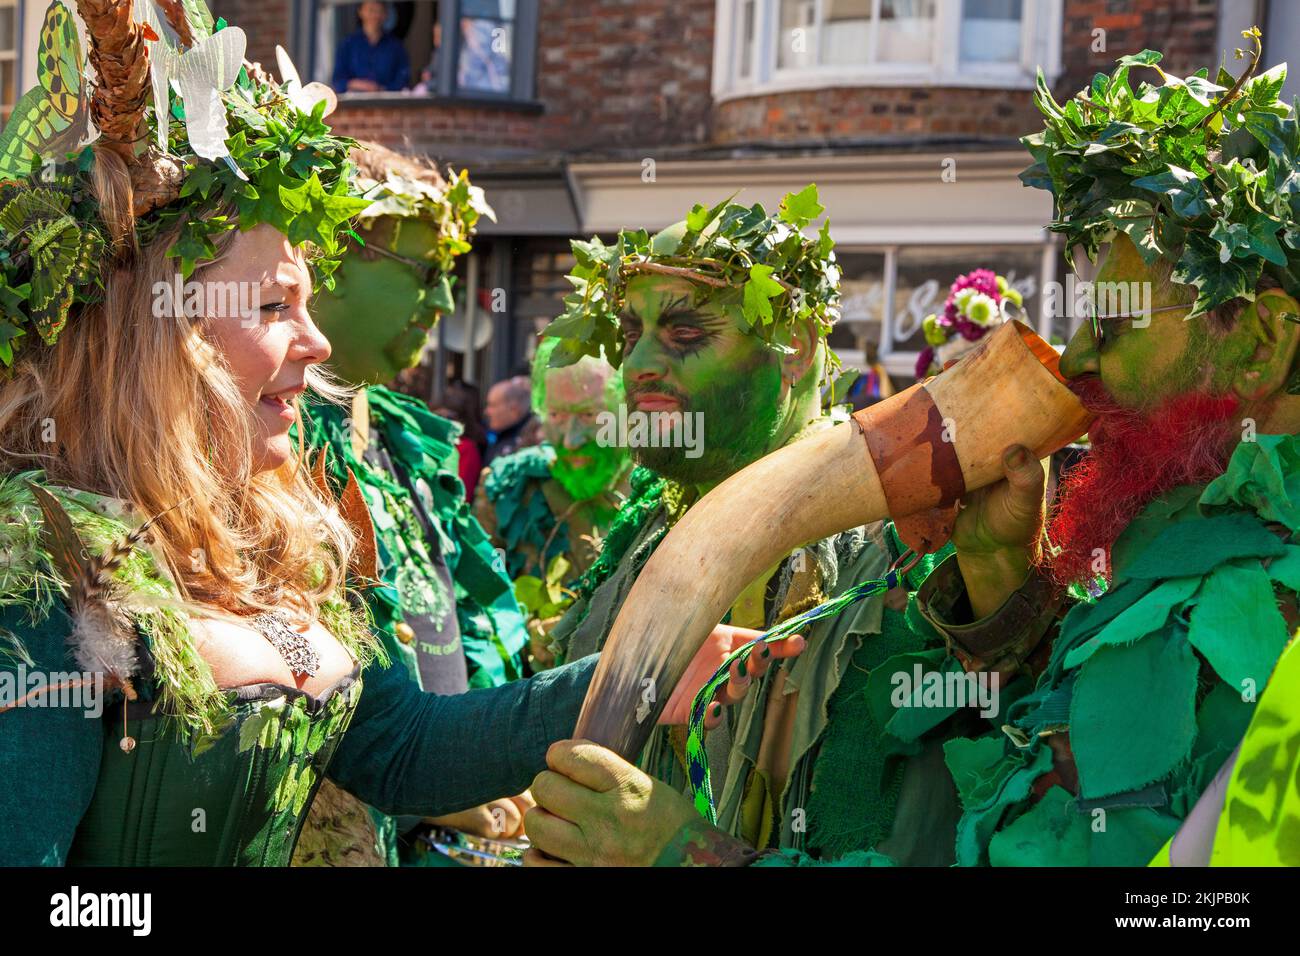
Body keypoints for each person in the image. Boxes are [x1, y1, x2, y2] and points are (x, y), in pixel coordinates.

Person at [0, 0, 769, 867]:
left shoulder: (287, 531)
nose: (317, 341)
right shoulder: (41, 563)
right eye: (271, 307)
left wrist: (644, 672)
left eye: (306, 300)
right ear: (157, 337)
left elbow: (406, 749)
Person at [525, 37, 1300, 868]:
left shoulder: (1250, 603)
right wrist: (1009, 588)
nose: (1074, 361)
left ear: (1259, 343)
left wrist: (681, 851)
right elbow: (1059, 762)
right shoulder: (1188, 553)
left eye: (1112, 327)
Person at [524, 188, 970, 866]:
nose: (639, 361)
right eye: (630, 333)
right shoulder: (642, 534)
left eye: (685, 334)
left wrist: (683, 852)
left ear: (793, 350)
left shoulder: (903, 556)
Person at [476, 338, 632, 669]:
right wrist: (521, 634)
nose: (571, 439)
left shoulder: (665, 494)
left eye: (590, 415)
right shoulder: (508, 486)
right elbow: (476, 607)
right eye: (557, 415)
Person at [333, 0, 410, 93]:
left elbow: (403, 80)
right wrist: (358, 84)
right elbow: (338, 81)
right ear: (360, 12)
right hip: (354, 102)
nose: (374, 15)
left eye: (379, 11)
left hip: (387, 103)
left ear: (386, 14)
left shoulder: (396, 47)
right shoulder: (347, 44)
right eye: (370, 10)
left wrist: (380, 89)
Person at [434, 380, 487, 502]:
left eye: (448, 417)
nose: (442, 421)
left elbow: (461, 496)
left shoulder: (467, 448)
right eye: (438, 416)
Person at [483, 375, 535, 463]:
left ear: (514, 409)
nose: (487, 411)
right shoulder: (498, 434)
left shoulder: (531, 440)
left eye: (492, 405)